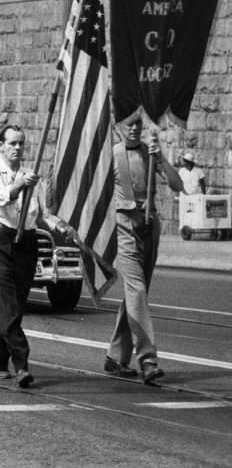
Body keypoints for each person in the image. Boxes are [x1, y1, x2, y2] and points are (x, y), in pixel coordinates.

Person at [0, 126, 70, 388]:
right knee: (7, 303)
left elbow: (39, 214)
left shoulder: (31, 176)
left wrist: (58, 227)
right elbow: (1, 199)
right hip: (2, 241)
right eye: (12, 143)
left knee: (15, 306)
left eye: (21, 143)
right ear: (1, 146)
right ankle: (22, 365)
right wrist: (18, 185)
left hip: (27, 242)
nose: (17, 148)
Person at [105, 116, 183, 384]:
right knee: (136, 290)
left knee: (135, 295)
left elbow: (177, 185)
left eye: (138, 123)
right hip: (124, 226)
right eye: (130, 124)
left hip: (150, 226)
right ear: (118, 127)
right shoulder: (112, 156)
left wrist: (160, 158)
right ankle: (148, 360)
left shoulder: (149, 153)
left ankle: (116, 356)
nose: (135, 128)